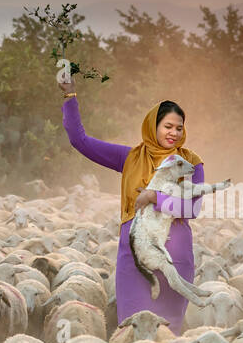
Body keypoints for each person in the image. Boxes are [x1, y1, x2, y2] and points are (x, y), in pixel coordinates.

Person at [60, 75, 209, 328]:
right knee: (132, 329)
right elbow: (80, 141)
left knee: (167, 336)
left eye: (179, 128)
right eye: (167, 126)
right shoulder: (129, 157)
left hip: (175, 256)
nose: (173, 133)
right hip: (135, 257)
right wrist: (69, 95)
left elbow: (192, 208)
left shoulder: (191, 163)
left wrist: (154, 197)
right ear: (153, 125)